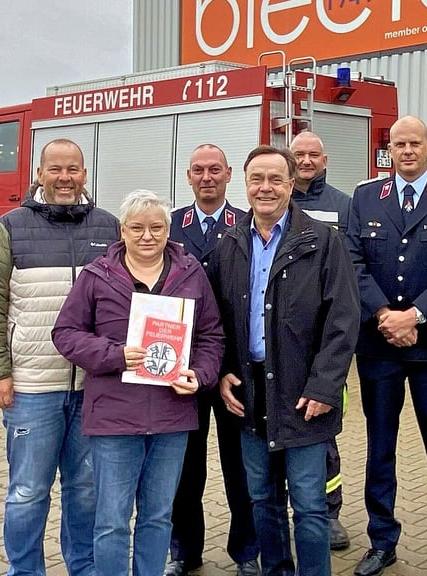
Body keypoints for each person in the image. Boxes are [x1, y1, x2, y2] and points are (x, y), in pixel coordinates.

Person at [52, 189, 225, 576]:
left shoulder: (191, 272)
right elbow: (65, 333)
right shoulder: (97, 276)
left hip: (172, 417)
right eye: (137, 228)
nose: (147, 236)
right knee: (112, 520)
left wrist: (200, 375)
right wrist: (114, 355)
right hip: (115, 418)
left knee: (158, 516)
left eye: (156, 227)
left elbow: (212, 336)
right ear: (122, 231)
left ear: (169, 229)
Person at [0, 139, 120, 576]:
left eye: (73, 169)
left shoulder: (108, 227)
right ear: (39, 174)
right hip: (33, 386)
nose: (65, 178)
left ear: (85, 174)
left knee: (86, 489)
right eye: (55, 169)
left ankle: (84, 567)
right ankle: (25, 570)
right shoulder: (9, 228)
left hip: (94, 387)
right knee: (29, 491)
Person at [213, 146, 360, 576]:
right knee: (263, 499)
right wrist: (223, 371)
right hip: (250, 392)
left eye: (276, 179)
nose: (266, 187)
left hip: (302, 392)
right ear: (245, 184)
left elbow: (343, 320)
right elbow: (216, 318)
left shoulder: (322, 241)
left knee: (311, 507)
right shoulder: (230, 244)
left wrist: (324, 385)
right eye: (257, 178)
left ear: (291, 185)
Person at [345, 116, 427, 576]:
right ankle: (382, 542)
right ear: (390, 150)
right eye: (398, 144)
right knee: (380, 446)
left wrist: (414, 316)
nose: (406, 151)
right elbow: (353, 263)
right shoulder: (365, 198)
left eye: (414, 144)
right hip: (379, 345)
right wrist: (385, 315)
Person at [165, 144, 258, 576]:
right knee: (186, 467)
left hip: (235, 368)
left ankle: (248, 552)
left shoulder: (249, 225)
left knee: (241, 467)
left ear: (228, 176)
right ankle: (184, 551)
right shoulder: (168, 227)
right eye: (199, 170)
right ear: (188, 176)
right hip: (182, 369)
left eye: (215, 170)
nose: (207, 177)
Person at [289, 131, 353, 551]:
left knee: (324, 434)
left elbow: (349, 275)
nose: (306, 160)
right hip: (280, 343)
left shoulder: (344, 206)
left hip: (324, 347)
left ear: (325, 160)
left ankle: (328, 513)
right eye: (299, 154)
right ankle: (281, 514)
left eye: (313, 155)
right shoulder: (272, 198)